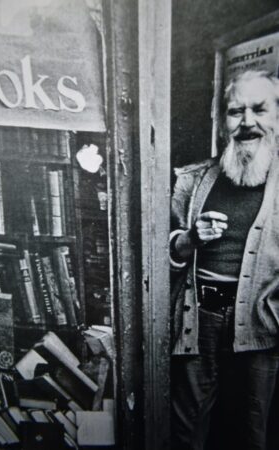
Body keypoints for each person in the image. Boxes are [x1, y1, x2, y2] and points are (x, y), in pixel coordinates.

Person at [170, 70, 279, 450]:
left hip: (265, 322)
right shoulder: (192, 181)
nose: (247, 122)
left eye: (259, 110)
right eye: (236, 112)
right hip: (201, 314)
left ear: (277, 115)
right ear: (222, 121)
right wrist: (190, 238)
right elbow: (166, 253)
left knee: (255, 429)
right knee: (188, 428)